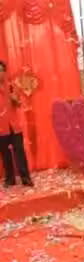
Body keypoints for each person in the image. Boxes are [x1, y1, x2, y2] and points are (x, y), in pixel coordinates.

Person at [0, 60, 33, 188]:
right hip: (1, 128)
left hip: (15, 126)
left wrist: (16, 100)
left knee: (20, 152)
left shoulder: (12, 86)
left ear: (5, 72)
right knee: (5, 154)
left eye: (1, 70)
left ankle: (26, 178)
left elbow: (19, 104)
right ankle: (10, 179)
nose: (0, 73)